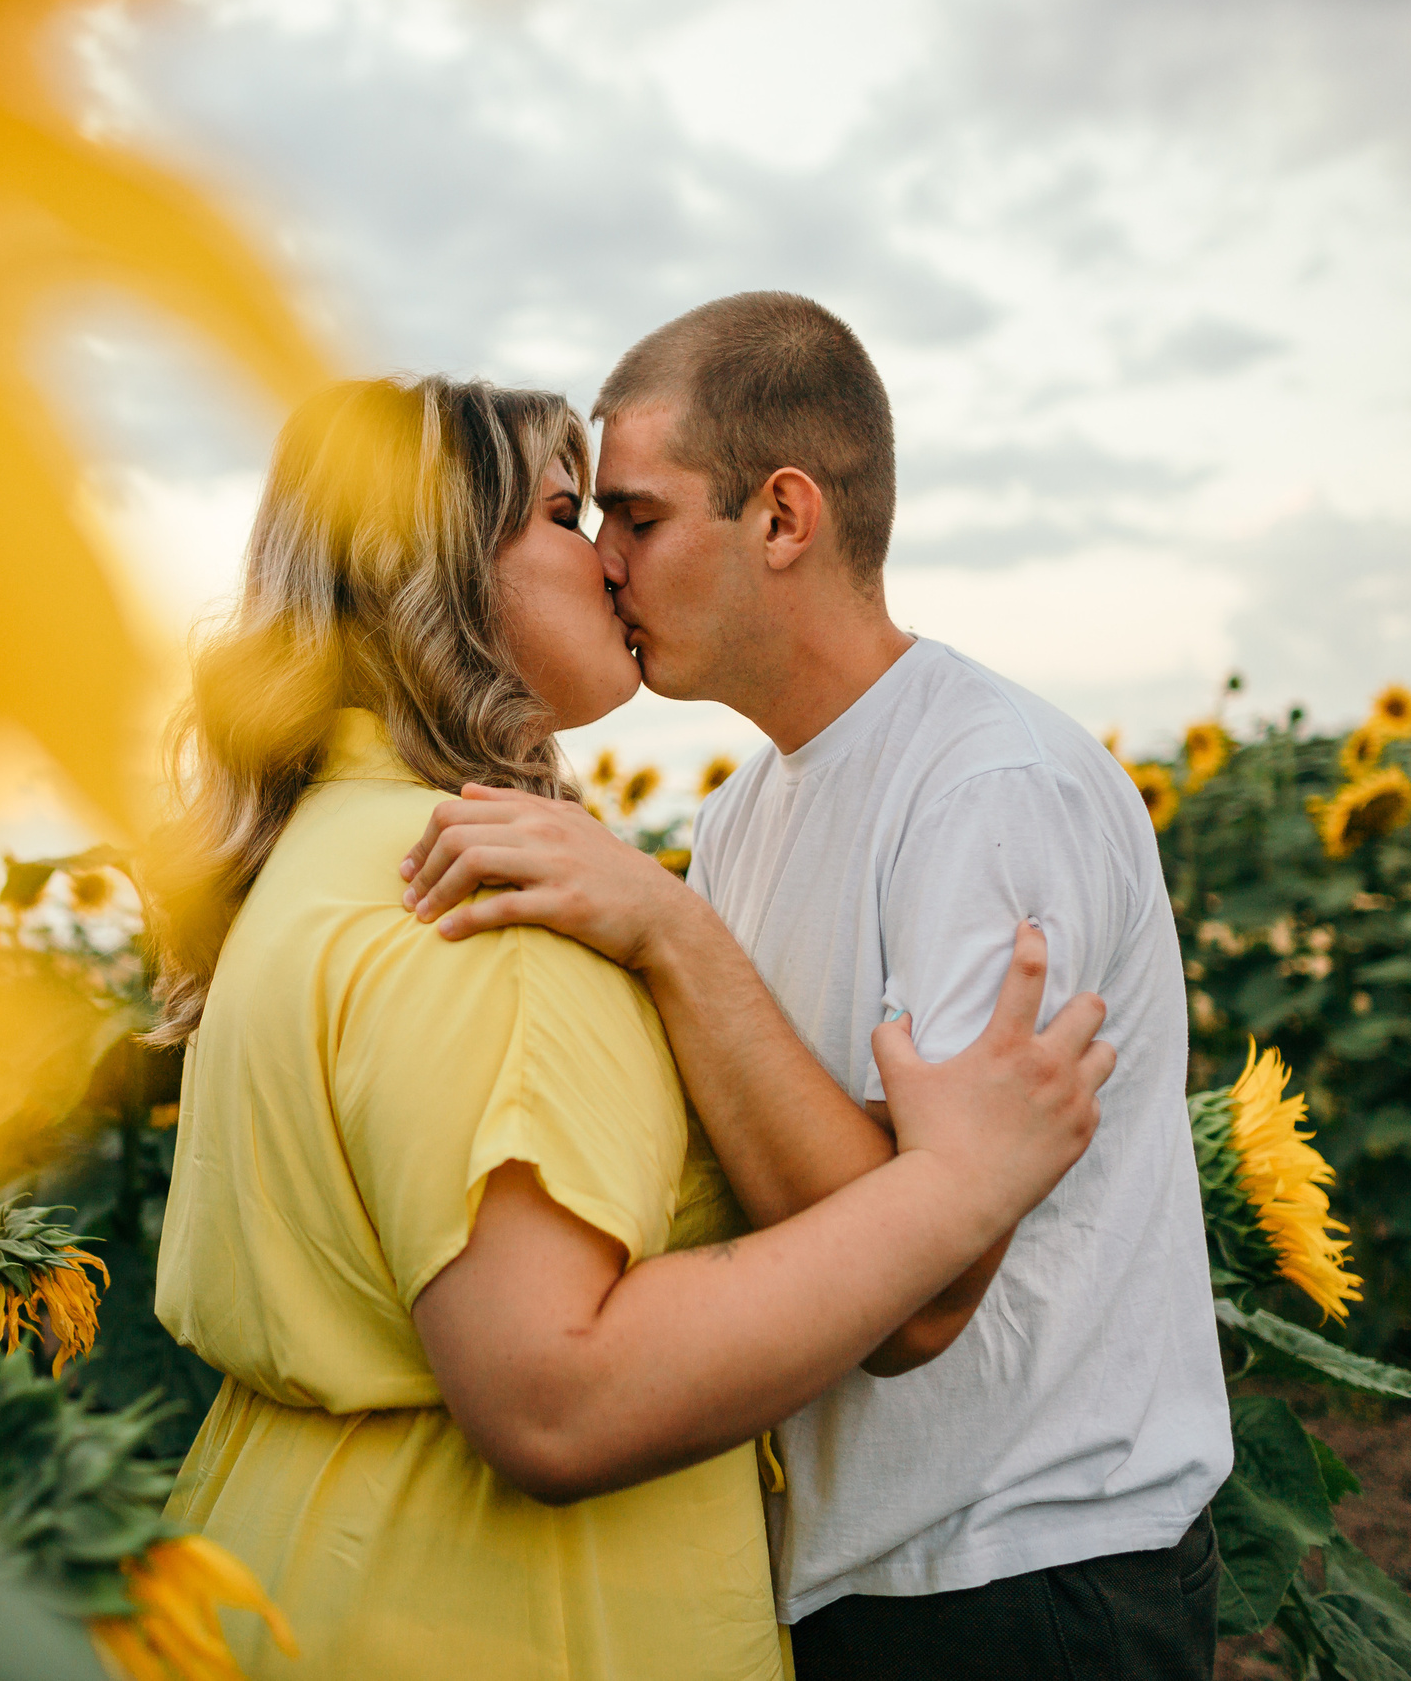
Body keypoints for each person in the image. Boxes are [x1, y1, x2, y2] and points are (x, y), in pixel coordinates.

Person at [146, 375, 1115, 1681]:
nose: (611, 559)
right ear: (435, 570)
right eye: (565, 513)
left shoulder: (323, 856)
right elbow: (558, 1396)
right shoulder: (490, 904)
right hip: (494, 1620)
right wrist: (964, 1183)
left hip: (285, 1574)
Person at [398, 294, 1234, 1681]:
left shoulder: (988, 791)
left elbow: (924, 1292)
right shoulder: (741, 817)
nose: (605, 562)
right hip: (866, 1569)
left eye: (639, 516)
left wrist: (669, 931)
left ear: (783, 518)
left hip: (1024, 1576)